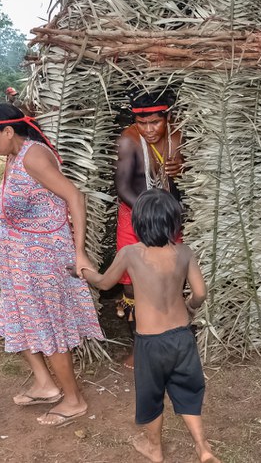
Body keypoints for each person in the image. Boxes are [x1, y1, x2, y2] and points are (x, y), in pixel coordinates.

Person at [0, 103, 103, 427]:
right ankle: (45, 385)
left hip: (42, 262)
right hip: (19, 262)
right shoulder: (13, 155)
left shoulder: (33, 157)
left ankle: (73, 400)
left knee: (47, 328)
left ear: (8, 131)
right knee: (16, 320)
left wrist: (79, 252)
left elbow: (75, 196)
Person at [80, 189, 220, 463]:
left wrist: (84, 271)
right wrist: (189, 307)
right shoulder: (184, 252)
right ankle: (202, 447)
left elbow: (105, 283)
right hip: (182, 337)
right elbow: (200, 293)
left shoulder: (131, 253)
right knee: (187, 389)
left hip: (150, 341)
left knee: (151, 394)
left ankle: (154, 448)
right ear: (173, 223)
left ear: (138, 223)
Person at [115, 88, 184, 369]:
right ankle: (140, 348)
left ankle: (170, 341)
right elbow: (122, 186)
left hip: (170, 218)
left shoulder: (179, 136)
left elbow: (196, 178)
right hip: (134, 217)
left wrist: (183, 168)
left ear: (167, 117)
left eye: (155, 122)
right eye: (142, 123)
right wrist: (148, 213)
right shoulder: (129, 141)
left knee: (169, 279)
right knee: (133, 287)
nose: (148, 129)